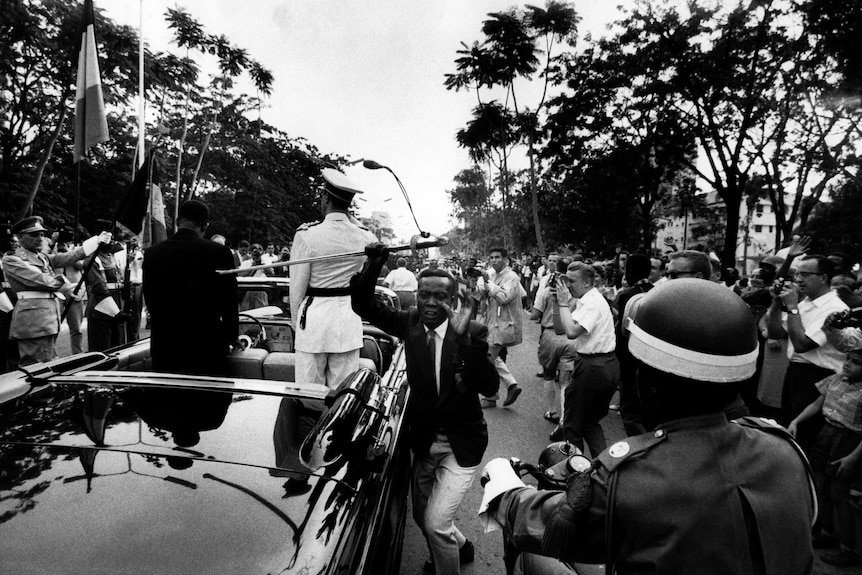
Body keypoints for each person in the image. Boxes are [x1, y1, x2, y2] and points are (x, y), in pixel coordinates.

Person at [480, 279, 817, 574]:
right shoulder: (786, 450)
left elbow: (536, 523)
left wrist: (502, 481)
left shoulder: (629, 476)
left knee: (532, 555)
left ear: (647, 385)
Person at [352, 242, 499, 575]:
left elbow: (490, 387)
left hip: (461, 445)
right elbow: (363, 305)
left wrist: (465, 341)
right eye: (424, 295)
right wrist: (374, 263)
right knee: (421, 516)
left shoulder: (473, 331)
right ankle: (461, 546)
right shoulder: (411, 322)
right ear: (417, 296)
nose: (431, 303)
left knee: (434, 524)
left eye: (440, 297)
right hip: (424, 441)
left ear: (453, 299)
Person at [289, 168, 377, 389]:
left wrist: (295, 324)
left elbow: (297, 288)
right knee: (343, 393)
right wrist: (348, 216)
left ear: (325, 197)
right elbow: (371, 243)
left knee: (309, 393)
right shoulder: (364, 236)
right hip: (348, 319)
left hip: (313, 322)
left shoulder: (307, 235)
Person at [143, 200, 238, 376]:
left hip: (165, 343)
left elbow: (150, 298)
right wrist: (232, 336)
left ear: (177, 222)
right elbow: (229, 301)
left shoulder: (152, 253)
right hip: (207, 342)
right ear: (205, 226)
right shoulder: (220, 252)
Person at [766, 254, 849, 453]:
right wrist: (777, 302)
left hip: (818, 378)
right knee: (787, 426)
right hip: (795, 373)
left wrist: (792, 307)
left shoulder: (835, 309)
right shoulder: (805, 304)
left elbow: (802, 344)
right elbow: (775, 333)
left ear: (824, 278)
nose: (798, 280)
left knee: (805, 435)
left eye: (805, 274)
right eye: (797, 274)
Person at [2, 216, 110, 365]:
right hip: (33, 322)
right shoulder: (12, 259)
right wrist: (64, 284)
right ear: (20, 237)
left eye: (41, 234)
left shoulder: (43, 257)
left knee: (49, 364)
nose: (40, 238)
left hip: (47, 320)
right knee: (37, 367)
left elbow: (70, 257)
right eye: (34, 235)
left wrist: (96, 241)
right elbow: (38, 280)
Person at [788, 348, 862, 567]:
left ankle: (848, 548)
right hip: (826, 433)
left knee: (839, 493)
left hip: (848, 441)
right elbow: (816, 405)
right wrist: (796, 421)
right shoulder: (836, 379)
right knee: (821, 485)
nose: (848, 364)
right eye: (848, 359)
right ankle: (826, 532)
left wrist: (853, 458)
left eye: (856, 362)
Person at [551, 261, 619, 456]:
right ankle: (603, 467)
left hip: (593, 367)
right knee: (590, 422)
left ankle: (577, 469)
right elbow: (560, 328)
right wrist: (557, 303)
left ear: (588, 282)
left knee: (572, 425)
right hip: (604, 365)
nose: (568, 285)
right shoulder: (588, 300)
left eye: (572, 281)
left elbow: (571, 332)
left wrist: (563, 303)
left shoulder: (592, 303)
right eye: (565, 280)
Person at [612, 254, 653, 436]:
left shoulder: (627, 295)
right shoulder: (656, 292)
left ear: (629, 271)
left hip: (629, 358)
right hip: (651, 357)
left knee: (630, 410)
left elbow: (622, 330)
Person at [478, 246, 523, 408]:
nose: (494, 260)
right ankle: (510, 385)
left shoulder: (512, 277)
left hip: (505, 324)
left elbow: (504, 298)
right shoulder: (491, 275)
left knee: (486, 358)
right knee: (488, 355)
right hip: (492, 322)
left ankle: (492, 395)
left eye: (497, 257)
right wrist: (482, 283)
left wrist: (489, 283)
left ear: (506, 260)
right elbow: (483, 295)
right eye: (491, 258)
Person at [85, 228, 126, 352]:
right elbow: (99, 287)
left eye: (112, 239)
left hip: (116, 302)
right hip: (101, 306)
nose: (111, 242)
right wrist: (114, 311)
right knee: (102, 347)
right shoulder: (93, 259)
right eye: (108, 239)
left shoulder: (111, 257)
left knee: (117, 346)